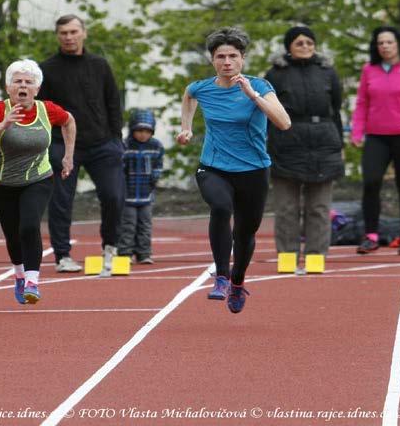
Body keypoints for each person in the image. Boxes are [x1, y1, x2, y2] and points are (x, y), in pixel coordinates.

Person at [177, 27, 291, 313]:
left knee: (245, 232)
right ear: (212, 60)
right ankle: (221, 277)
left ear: (242, 59)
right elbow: (189, 96)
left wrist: (253, 96)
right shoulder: (201, 87)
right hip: (214, 167)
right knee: (220, 206)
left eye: (233, 56)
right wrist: (186, 128)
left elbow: (284, 123)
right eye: (220, 57)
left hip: (253, 170)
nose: (227, 62)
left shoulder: (260, 87)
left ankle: (237, 281)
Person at [0, 59, 76, 304]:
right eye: (18, 81)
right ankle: (18, 275)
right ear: (8, 88)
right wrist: (3, 125)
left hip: (38, 179)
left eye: (29, 82)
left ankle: (32, 281)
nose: (23, 86)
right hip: (1, 183)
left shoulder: (47, 109)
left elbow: (69, 121)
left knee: (29, 226)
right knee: (13, 234)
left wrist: (69, 156)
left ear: (37, 89)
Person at [36, 14, 124, 275]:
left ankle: (111, 247)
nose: (69, 37)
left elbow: (113, 102)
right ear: (57, 36)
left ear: (84, 33)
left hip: (103, 144)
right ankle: (63, 255)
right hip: (63, 145)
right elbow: (40, 110)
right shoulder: (47, 69)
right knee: (61, 202)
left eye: (74, 31)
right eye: (63, 33)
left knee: (113, 196)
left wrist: (116, 139)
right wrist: (49, 144)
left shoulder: (100, 65)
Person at [264, 26, 344, 274]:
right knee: (287, 207)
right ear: (289, 46)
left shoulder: (328, 72)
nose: (305, 47)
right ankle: (287, 259)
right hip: (286, 142)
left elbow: (336, 108)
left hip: (323, 143)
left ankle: (315, 259)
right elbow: (267, 110)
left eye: (309, 42)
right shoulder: (275, 74)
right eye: (299, 43)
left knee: (319, 207)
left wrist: (338, 144)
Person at [351, 26, 400, 256]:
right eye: (380, 43)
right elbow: (362, 103)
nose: (385, 46)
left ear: (398, 44)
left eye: (389, 42)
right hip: (377, 137)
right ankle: (371, 236)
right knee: (371, 183)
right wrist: (357, 131)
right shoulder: (370, 70)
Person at [117, 108, 164, 265]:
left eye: (147, 131)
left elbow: (158, 164)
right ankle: (125, 253)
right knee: (128, 225)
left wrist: (155, 176)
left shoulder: (156, 146)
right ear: (132, 130)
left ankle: (144, 253)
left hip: (146, 195)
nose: (143, 134)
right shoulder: (125, 145)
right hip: (127, 196)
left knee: (145, 225)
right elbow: (120, 168)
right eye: (139, 130)